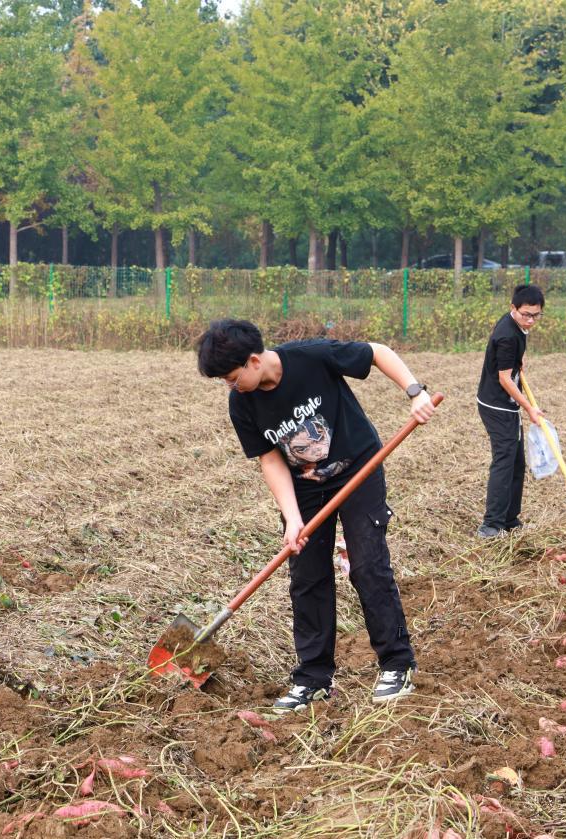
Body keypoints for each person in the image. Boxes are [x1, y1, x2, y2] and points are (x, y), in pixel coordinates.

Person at [196, 319, 436, 712]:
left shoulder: (310, 356)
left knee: (368, 565)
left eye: (232, 377)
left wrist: (415, 391)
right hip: (305, 488)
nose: (230, 386)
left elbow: (377, 352)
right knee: (307, 578)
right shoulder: (242, 402)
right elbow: (271, 460)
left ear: (254, 361)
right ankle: (313, 679)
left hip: (359, 469)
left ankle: (397, 664)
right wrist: (292, 518)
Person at [476, 284, 545, 538]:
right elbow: (505, 379)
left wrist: (519, 360)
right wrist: (530, 408)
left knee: (517, 463)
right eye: (526, 314)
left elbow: (511, 361)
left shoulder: (517, 325)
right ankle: (491, 525)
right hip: (498, 406)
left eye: (536, 315)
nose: (531, 320)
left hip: (506, 404)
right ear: (513, 308)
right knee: (505, 462)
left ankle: (509, 519)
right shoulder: (507, 335)